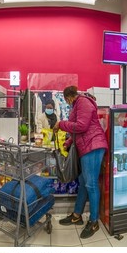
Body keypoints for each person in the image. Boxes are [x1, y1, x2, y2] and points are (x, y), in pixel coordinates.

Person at [53, 86, 108, 239]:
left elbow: (82, 126)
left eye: (66, 100)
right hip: (87, 146)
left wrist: (61, 124)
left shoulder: (83, 102)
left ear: (68, 97)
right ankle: (77, 215)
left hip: (93, 146)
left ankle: (94, 221)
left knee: (91, 184)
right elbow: (80, 129)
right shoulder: (78, 104)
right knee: (84, 182)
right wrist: (69, 141)